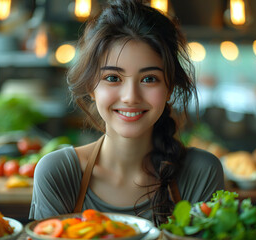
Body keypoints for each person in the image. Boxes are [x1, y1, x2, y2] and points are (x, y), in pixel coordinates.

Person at [29, 0, 224, 226]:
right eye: (113, 78)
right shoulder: (58, 173)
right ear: (92, 87)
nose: (130, 97)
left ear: (169, 88)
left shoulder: (201, 172)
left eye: (149, 79)